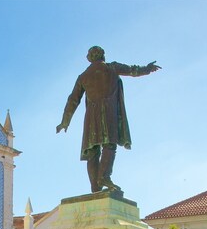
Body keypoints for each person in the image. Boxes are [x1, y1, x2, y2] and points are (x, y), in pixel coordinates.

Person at [57, 46, 161, 193]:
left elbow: (73, 100)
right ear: (102, 55)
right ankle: (104, 176)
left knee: (92, 150)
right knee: (109, 145)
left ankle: (95, 187)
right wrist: (148, 69)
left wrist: (65, 121)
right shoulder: (112, 67)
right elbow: (133, 70)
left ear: (90, 58)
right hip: (108, 113)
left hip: (91, 116)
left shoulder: (83, 76)